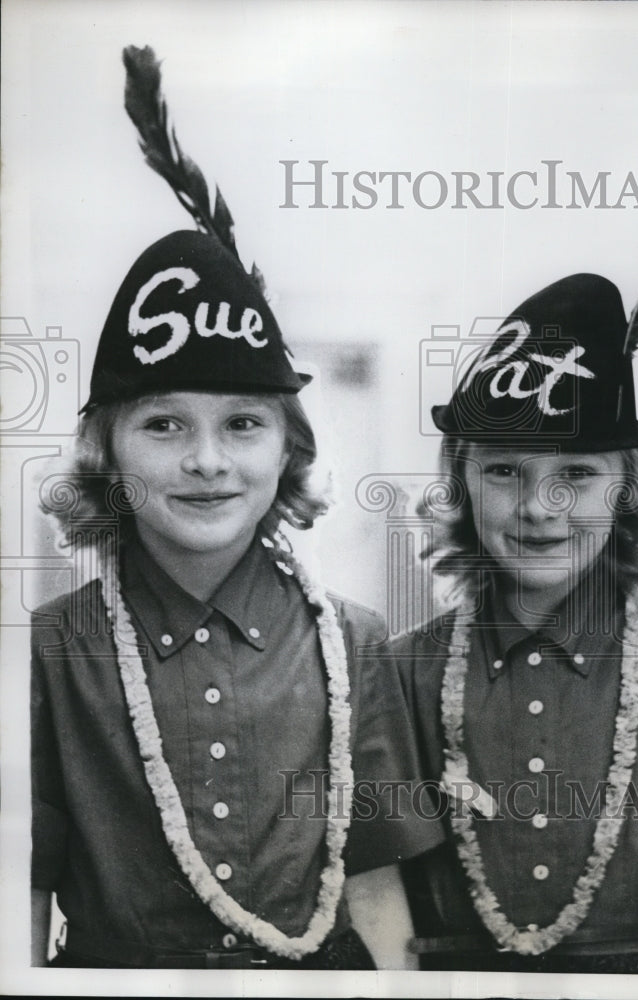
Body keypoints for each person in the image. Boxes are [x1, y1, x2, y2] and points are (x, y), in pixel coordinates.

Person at [30, 47, 441, 971]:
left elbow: (378, 892)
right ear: (106, 451)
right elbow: (27, 886)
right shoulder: (51, 647)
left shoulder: (356, 641)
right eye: (165, 424)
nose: (208, 460)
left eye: (243, 423)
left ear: (289, 448)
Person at [392, 212, 638, 973]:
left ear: (628, 490)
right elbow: (381, 893)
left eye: (577, 475)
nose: (538, 508)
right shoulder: (398, 675)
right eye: (504, 472)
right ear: (460, 485)